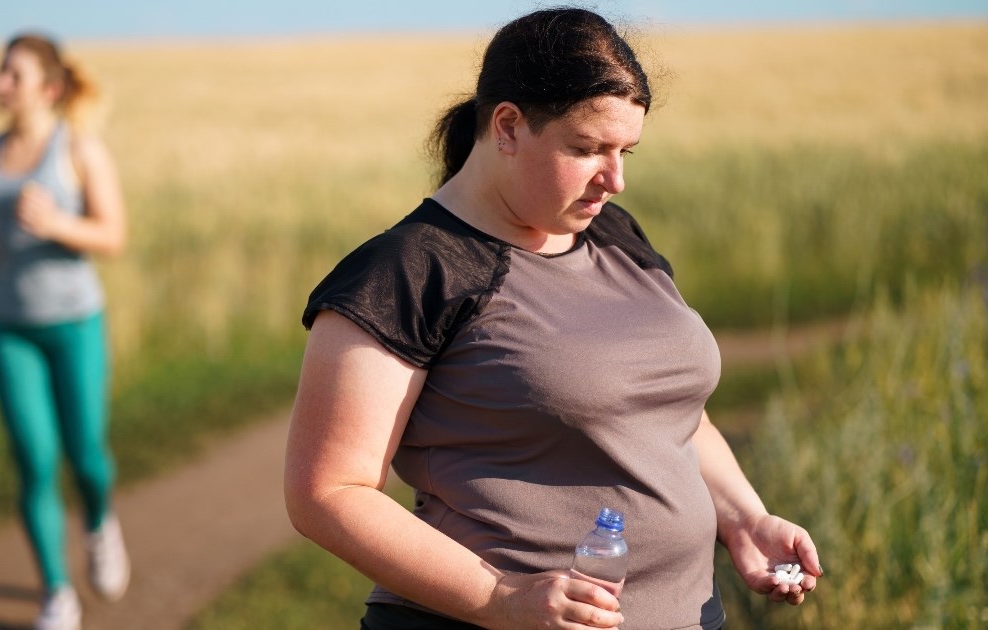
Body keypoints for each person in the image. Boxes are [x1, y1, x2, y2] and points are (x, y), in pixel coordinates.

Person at [284, 8, 823, 629]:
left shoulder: (615, 234)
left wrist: (744, 519)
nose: (614, 179)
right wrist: (501, 598)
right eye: (587, 148)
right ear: (508, 126)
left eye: (626, 150)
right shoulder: (407, 273)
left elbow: (666, 413)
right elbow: (326, 493)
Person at [0, 32, 129, 630]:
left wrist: (57, 223)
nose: (0, 84)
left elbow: (112, 235)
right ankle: (56, 593)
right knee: (33, 459)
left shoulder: (80, 151)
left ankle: (101, 523)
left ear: (49, 90)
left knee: (86, 458)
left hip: (75, 324)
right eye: (0, 72)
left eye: (14, 75)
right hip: (7, 327)